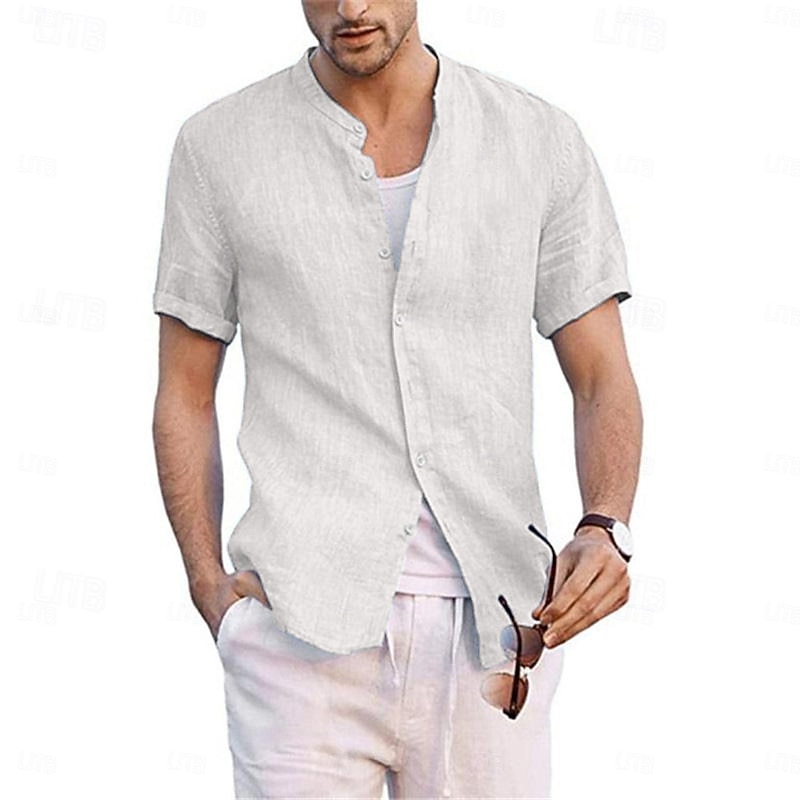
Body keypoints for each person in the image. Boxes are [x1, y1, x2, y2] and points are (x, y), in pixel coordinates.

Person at [151, 1, 643, 797]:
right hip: (298, 633)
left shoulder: (538, 141)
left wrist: (605, 524)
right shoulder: (220, 147)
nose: (350, 8)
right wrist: (210, 590)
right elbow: (184, 389)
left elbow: (601, 374)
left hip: (497, 633)